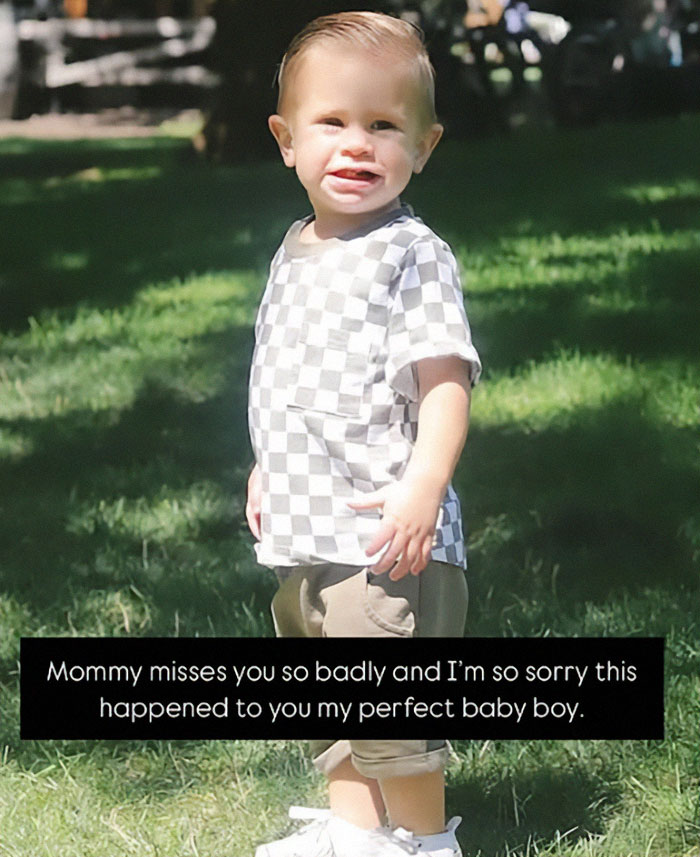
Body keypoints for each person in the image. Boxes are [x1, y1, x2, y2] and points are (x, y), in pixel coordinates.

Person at [246, 11, 481, 857]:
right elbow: (286, 374)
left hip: (385, 534)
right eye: (333, 123)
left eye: (384, 126)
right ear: (286, 139)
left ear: (424, 145)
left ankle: (423, 841)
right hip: (306, 527)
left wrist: (423, 487)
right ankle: (356, 833)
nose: (357, 144)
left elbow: (445, 382)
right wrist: (268, 467)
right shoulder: (294, 249)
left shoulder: (410, 253)